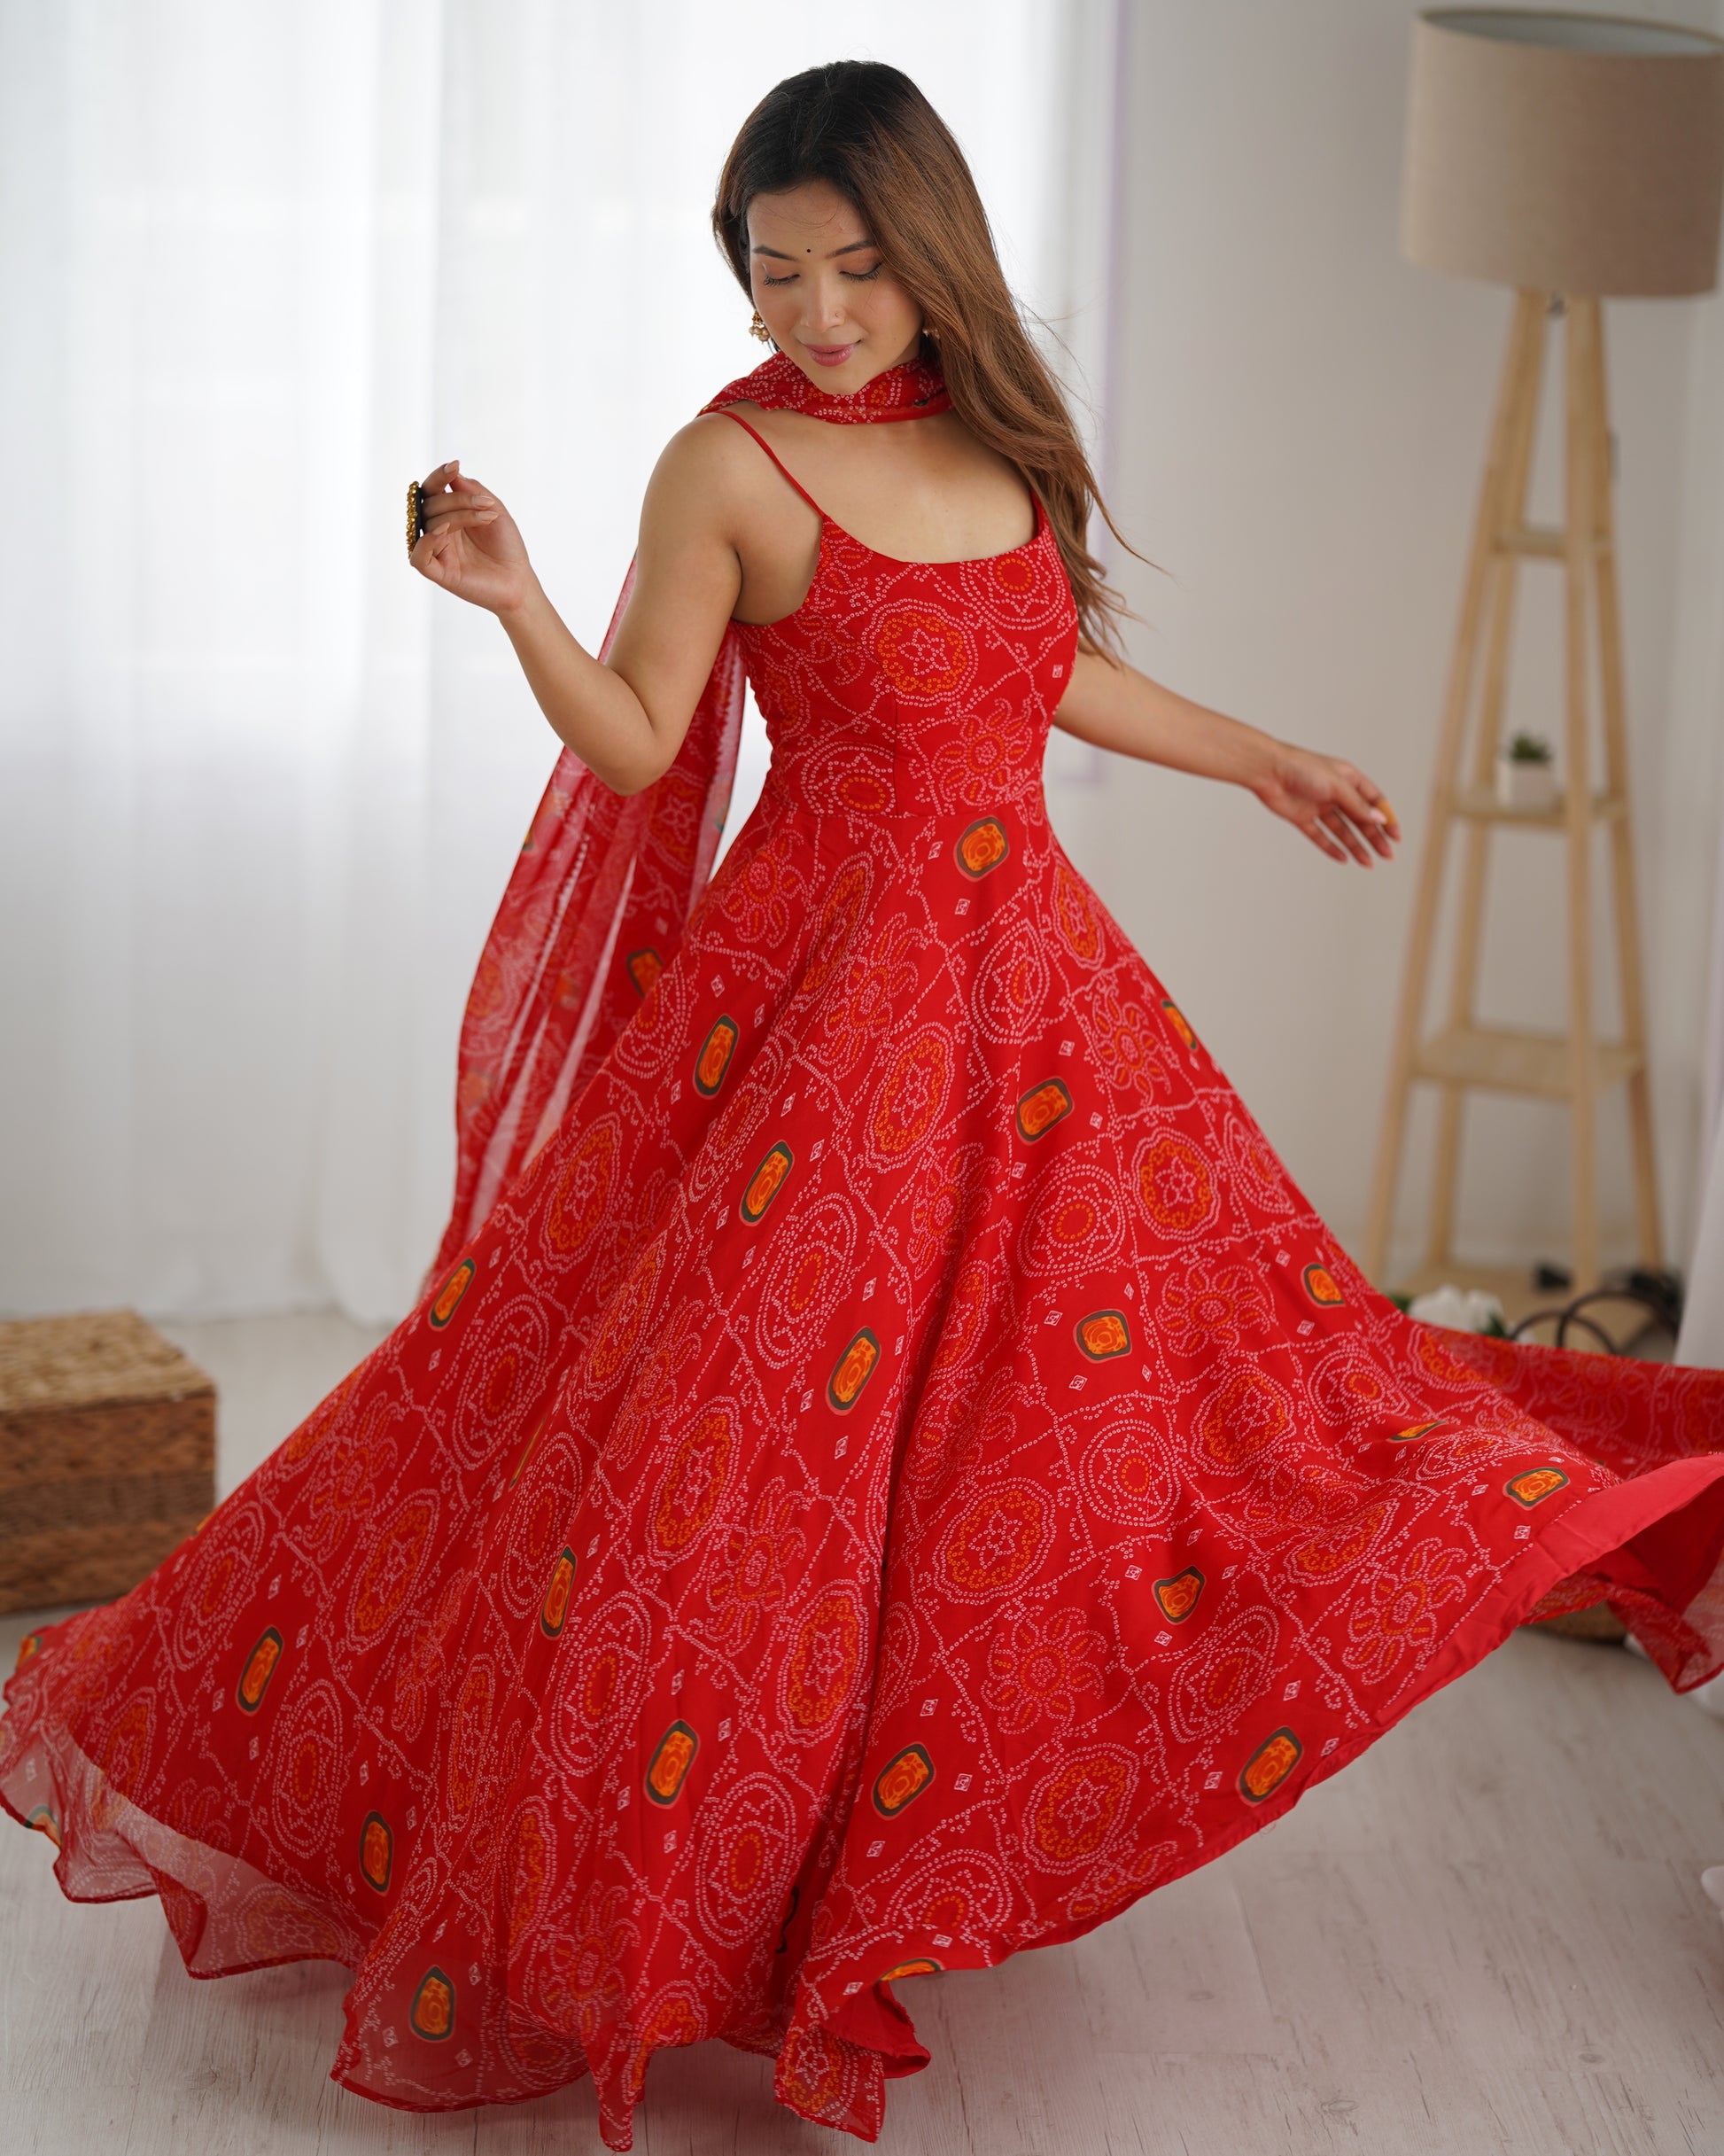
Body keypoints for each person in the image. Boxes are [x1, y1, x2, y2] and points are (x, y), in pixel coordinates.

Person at [6, 59, 1724, 2155]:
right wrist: (518, 595)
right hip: (816, 1030)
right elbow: (647, 742)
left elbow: (1038, 671)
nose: (813, 310)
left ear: (929, 254)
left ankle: (894, 1860)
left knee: (1145, 1409)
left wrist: (1259, 755)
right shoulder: (723, 465)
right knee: (730, 1478)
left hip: (1034, 1005)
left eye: (850, 264)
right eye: (770, 269)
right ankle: (716, 1903)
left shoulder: (992, 437)